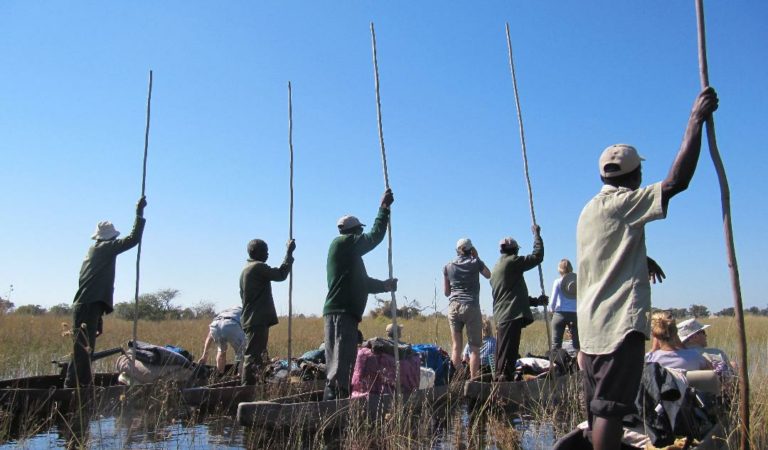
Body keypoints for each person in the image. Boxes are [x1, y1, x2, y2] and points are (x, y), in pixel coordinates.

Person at [574, 87, 718, 450]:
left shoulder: (590, 210)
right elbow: (676, 183)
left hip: (590, 331)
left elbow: (603, 254)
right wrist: (695, 121)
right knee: (612, 410)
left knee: (597, 410)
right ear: (635, 176)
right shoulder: (625, 203)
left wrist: (641, 258)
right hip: (618, 329)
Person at [64, 196, 147, 388]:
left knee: (83, 349)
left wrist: (99, 317)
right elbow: (134, 238)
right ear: (109, 238)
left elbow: (93, 287)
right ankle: (76, 388)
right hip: (86, 306)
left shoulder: (95, 250)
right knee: (83, 351)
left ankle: (77, 385)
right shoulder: (104, 248)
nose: (116, 240)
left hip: (89, 305)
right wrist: (139, 212)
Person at [323, 188, 397, 400]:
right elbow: (374, 237)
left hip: (342, 312)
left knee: (341, 362)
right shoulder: (343, 244)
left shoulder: (350, 255)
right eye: (359, 232)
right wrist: (383, 209)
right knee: (339, 366)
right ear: (355, 232)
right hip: (341, 312)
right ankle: (335, 408)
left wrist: (384, 285)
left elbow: (362, 283)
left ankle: (337, 402)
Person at [490, 226, 547, 382]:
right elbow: (537, 257)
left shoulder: (498, 267)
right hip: (510, 316)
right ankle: (504, 386)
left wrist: (536, 301)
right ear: (514, 250)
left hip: (503, 316)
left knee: (503, 353)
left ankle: (500, 382)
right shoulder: (512, 262)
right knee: (508, 354)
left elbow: (514, 296)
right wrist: (537, 236)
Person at [240, 238, 295, 385]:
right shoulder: (257, 267)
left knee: (259, 355)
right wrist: (289, 254)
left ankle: (257, 384)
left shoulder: (247, 268)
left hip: (253, 318)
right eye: (265, 251)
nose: (268, 254)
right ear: (256, 252)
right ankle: (248, 388)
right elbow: (280, 275)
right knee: (253, 356)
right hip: (256, 318)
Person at [444, 238, 490, 379]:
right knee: (474, 348)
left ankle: (458, 377)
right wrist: (477, 257)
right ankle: (473, 381)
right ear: (471, 249)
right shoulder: (475, 262)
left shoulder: (447, 266)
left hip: (453, 306)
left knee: (456, 346)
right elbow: (488, 275)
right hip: (471, 306)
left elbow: (446, 292)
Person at [645, 311, 712, 371]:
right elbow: (711, 373)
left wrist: (653, 349)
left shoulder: (649, 359)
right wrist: (683, 347)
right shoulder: (694, 356)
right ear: (676, 333)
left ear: (655, 335)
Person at [197, 306, 245, 374]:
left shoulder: (226, 311)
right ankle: (239, 377)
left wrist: (204, 355)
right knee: (242, 354)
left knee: (221, 351)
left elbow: (209, 336)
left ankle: (219, 375)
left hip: (215, 326)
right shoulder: (245, 310)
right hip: (231, 324)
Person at [550, 258, 580, 352]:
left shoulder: (557, 282)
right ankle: (578, 364)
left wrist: (552, 310)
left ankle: (555, 364)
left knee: (556, 344)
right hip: (574, 314)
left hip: (560, 313)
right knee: (577, 344)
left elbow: (553, 301)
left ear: (560, 270)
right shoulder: (577, 282)